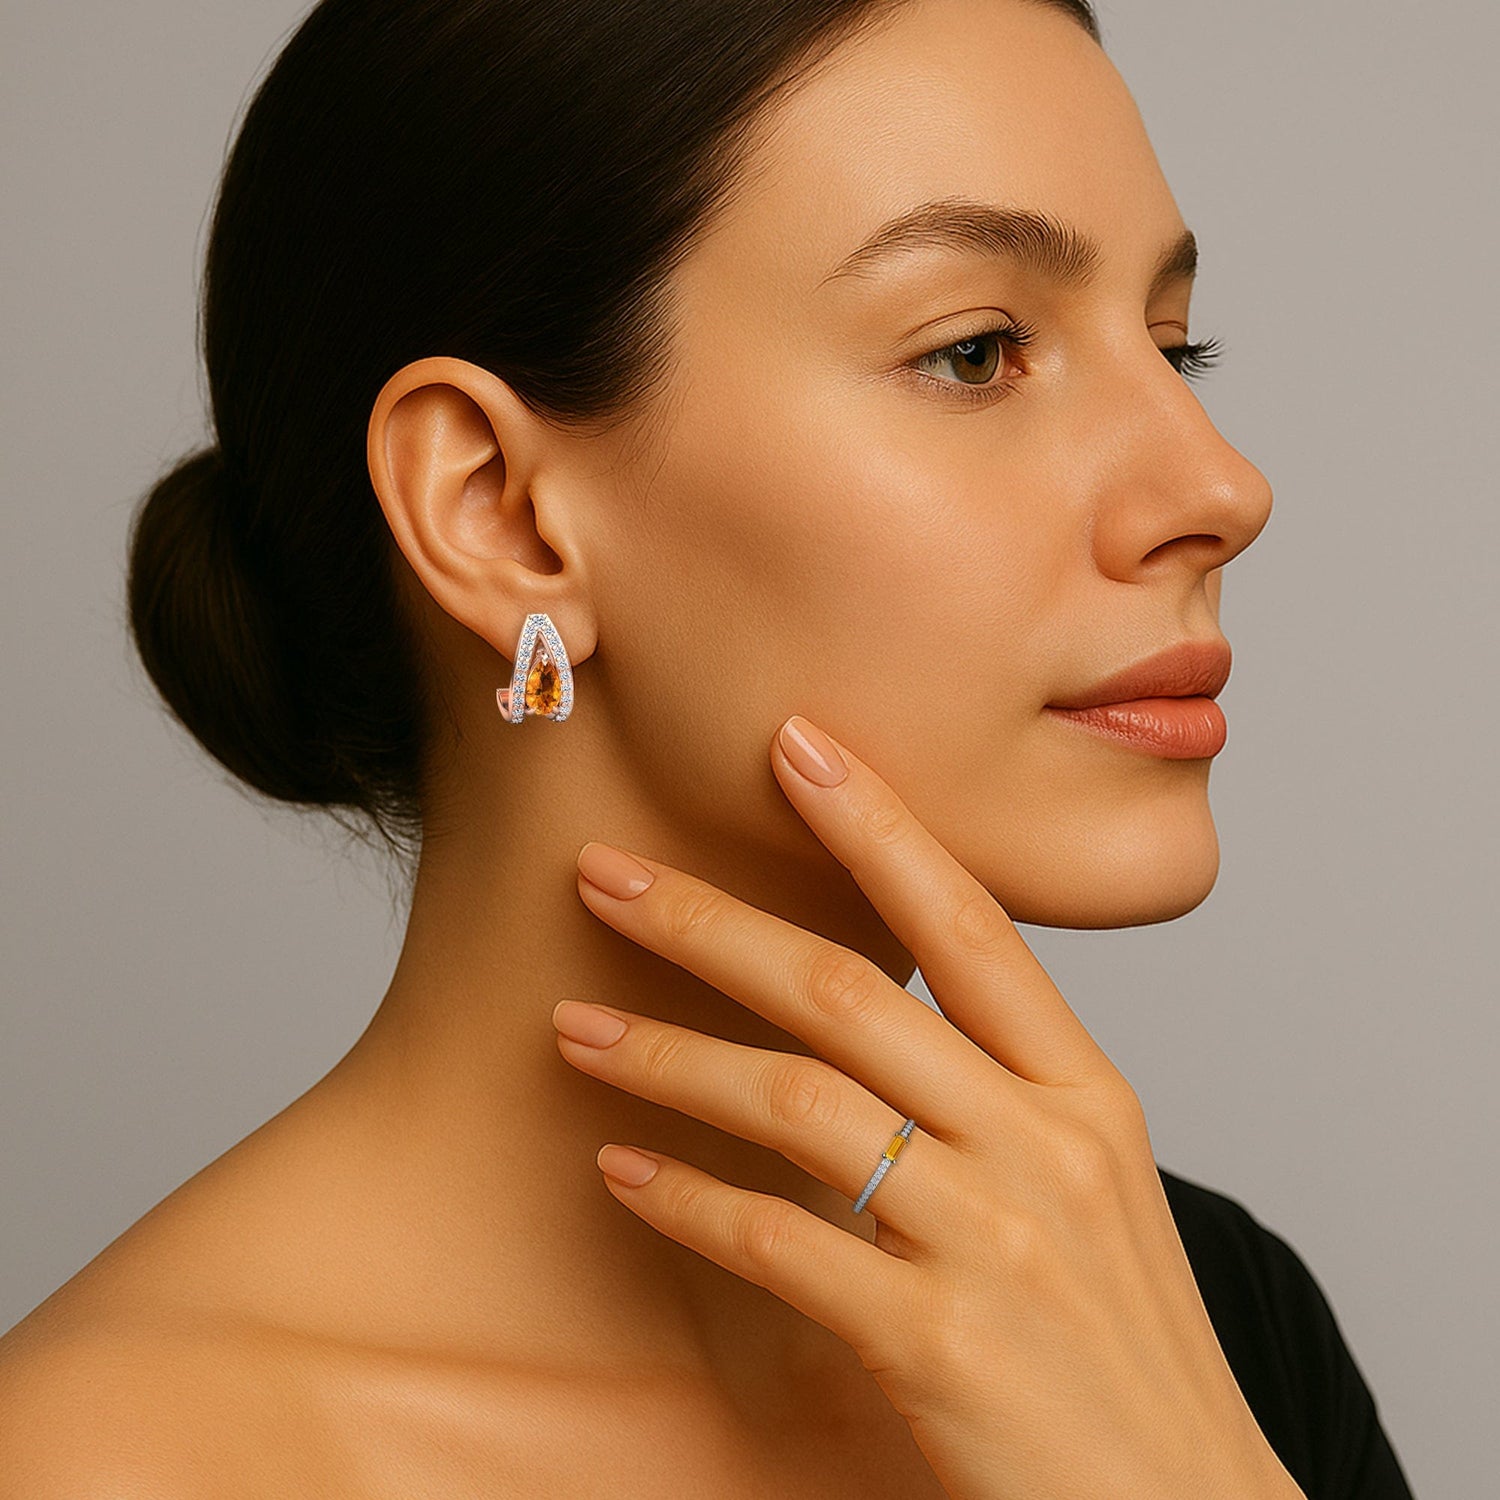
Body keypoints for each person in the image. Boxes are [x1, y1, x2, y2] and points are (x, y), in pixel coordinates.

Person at [0, 0, 1415, 1495]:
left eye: (1176, 350)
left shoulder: (1184, 1329)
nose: (1222, 488)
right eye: (977, 350)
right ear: (500, 513)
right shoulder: (104, 1460)